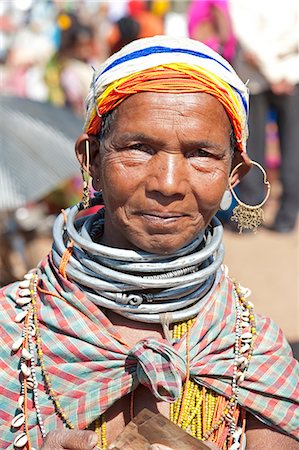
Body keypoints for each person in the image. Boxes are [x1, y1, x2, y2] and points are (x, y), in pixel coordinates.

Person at [0, 36, 298, 450]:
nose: (169, 184)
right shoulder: (13, 332)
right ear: (91, 161)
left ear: (234, 175)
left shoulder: (253, 352)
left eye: (201, 154)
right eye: (139, 148)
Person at [229, 0, 299, 232]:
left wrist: (270, 69)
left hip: (263, 74)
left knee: (254, 151)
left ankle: (250, 223)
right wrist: (278, 72)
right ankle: (285, 222)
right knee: (289, 150)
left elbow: (248, 40)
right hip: (287, 75)